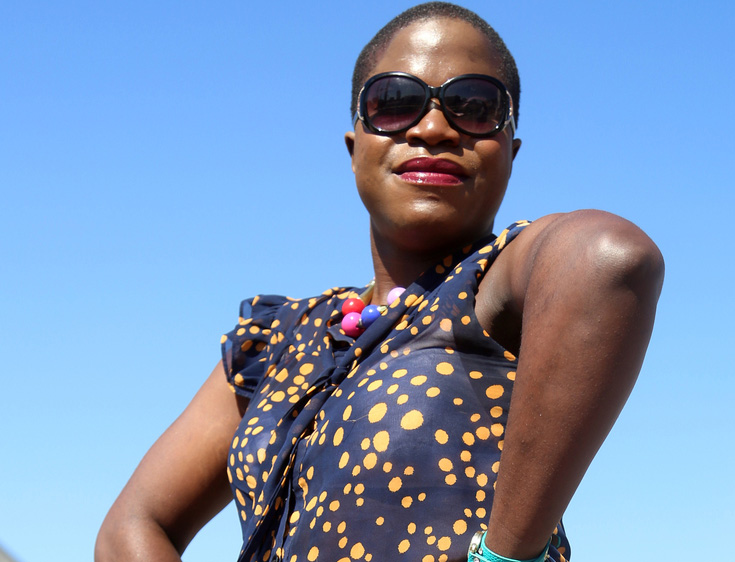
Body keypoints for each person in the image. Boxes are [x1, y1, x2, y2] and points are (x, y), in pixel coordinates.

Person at [95, 3, 664, 562]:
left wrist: (507, 557)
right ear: (355, 148)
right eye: (394, 103)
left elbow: (608, 258)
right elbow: (132, 526)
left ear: (510, 151)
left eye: (475, 107)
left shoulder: (492, 286)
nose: (434, 128)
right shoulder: (279, 341)